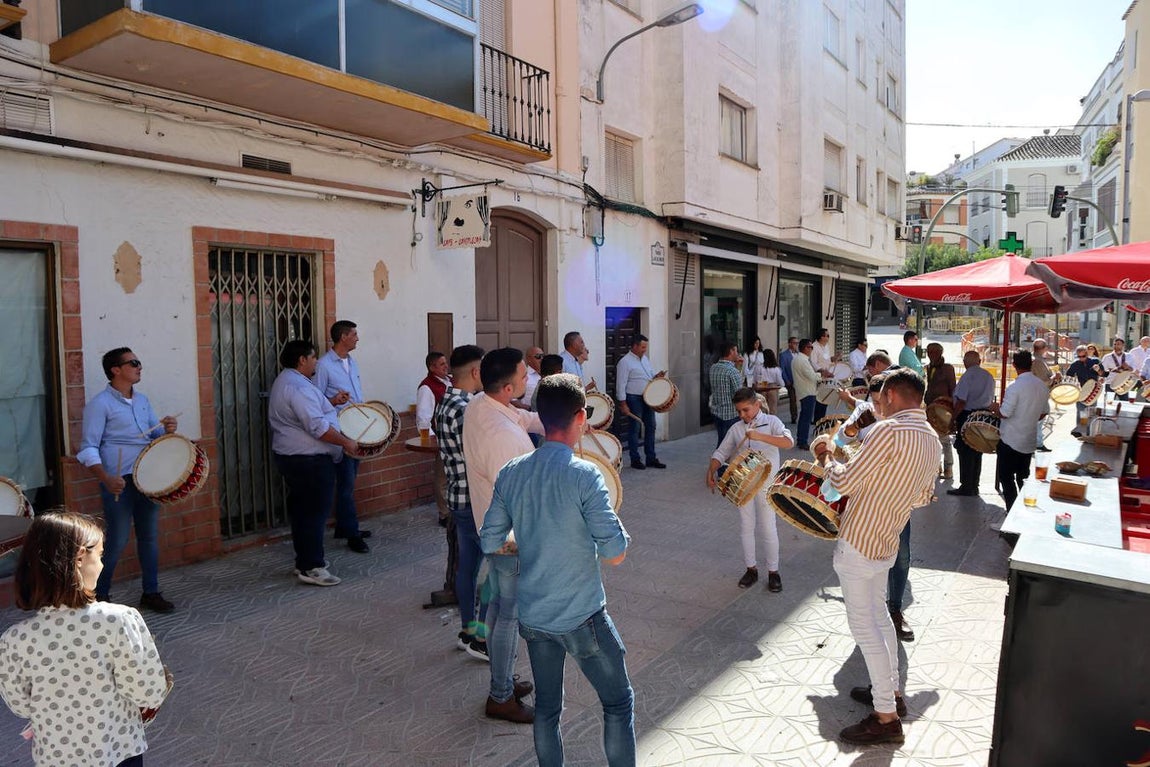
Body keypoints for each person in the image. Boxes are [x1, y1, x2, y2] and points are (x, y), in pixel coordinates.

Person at [480, 374, 633, 767]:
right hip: (582, 616)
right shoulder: (585, 474)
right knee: (618, 703)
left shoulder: (512, 471)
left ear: (540, 416)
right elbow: (615, 553)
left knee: (547, 711)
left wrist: (531, 540)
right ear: (581, 416)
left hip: (533, 616)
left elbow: (489, 539)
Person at [818, 369, 939, 746]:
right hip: (887, 538)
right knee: (881, 619)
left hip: (860, 540)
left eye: (879, 398)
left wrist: (825, 455)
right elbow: (922, 498)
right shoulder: (932, 437)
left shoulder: (888, 431)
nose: (876, 404)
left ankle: (885, 717)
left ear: (889, 395)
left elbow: (842, 483)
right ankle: (892, 693)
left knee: (865, 628)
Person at [0, 512, 169, 767]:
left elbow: (21, 706)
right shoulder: (119, 620)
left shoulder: (14, 640)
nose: (101, 565)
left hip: (55, 757)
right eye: (99, 555)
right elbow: (148, 691)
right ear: (80, 558)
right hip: (118, 751)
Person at [463, 348, 544, 724]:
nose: (529, 378)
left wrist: (559, 424)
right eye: (525, 374)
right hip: (508, 538)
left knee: (497, 608)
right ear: (509, 386)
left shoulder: (482, 404)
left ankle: (502, 678)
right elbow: (518, 498)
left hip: (492, 531)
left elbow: (523, 416)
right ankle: (500, 696)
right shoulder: (501, 437)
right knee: (508, 614)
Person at [77, 347, 178, 612]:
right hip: (118, 481)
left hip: (147, 480)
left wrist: (165, 431)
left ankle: (151, 592)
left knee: (149, 537)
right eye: (133, 362)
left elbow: (150, 438)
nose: (139, 366)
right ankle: (98, 596)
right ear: (116, 370)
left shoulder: (142, 400)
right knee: (117, 540)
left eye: (139, 362)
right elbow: (88, 447)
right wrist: (106, 478)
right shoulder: (99, 404)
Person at [268, 339, 360, 587]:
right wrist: (346, 442)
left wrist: (332, 402)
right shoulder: (298, 387)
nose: (315, 361)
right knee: (313, 514)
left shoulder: (289, 381)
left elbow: (309, 413)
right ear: (302, 360)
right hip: (308, 461)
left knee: (303, 512)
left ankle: (306, 560)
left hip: (298, 458)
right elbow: (317, 426)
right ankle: (312, 566)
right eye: (313, 357)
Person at [707, 387, 793, 592]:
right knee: (746, 527)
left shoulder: (772, 422)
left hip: (767, 484)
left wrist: (760, 436)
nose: (742, 415)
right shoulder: (737, 428)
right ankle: (751, 569)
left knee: (768, 527)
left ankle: (774, 572)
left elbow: (789, 442)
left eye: (746, 410)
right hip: (742, 484)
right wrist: (710, 470)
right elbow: (721, 452)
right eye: (739, 411)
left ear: (757, 405)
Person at [433, 345, 489, 660]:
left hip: (458, 498)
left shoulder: (446, 401)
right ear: (476, 371)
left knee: (467, 568)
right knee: (498, 569)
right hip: (479, 502)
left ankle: (468, 631)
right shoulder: (470, 407)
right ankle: (481, 638)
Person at [311, 320, 370, 553]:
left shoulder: (351, 362)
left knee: (350, 480)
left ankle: (345, 526)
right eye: (354, 334)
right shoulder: (324, 365)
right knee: (346, 482)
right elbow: (314, 400)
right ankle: (352, 534)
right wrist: (334, 401)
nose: (357, 338)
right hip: (340, 431)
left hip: (357, 428)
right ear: (343, 337)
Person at [992, 351, 1049, 510]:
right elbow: (1044, 411)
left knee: (1006, 477)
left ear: (1014, 365)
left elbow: (1004, 413)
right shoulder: (1041, 386)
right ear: (1031, 364)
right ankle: (1023, 509)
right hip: (1029, 440)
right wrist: (1028, 418)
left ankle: (1012, 511)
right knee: (1023, 477)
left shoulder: (1015, 387)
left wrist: (994, 407)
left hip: (1010, 440)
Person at [947, 351, 996, 497]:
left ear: (965, 362)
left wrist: (953, 418)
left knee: (965, 450)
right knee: (977, 449)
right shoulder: (988, 376)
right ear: (979, 361)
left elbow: (961, 401)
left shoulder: (968, 376)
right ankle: (974, 483)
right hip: (982, 414)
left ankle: (967, 485)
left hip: (968, 414)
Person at [615, 335, 667, 470]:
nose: (645, 350)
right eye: (643, 347)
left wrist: (656, 377)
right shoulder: (624, 362)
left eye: (646, 347)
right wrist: (622, 403)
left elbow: (649, 376)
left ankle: (651, 458)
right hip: (634, 398)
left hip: (647, 398)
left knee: (651, 426)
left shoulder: (645, 359)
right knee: (635, 429)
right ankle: (635, 459)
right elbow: (621, 384)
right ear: (635, 346)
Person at [923, 343, 956, 480]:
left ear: (940, 353)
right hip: (931, 408)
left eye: (935, 352)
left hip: (944, 408)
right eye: (930, 352)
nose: (932, 354)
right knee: (932, 438)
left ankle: (948, 467)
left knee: (944, 439)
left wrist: (952, 409)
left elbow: (953, 388)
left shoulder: (948, 368)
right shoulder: (929, 367)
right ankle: (937, 466)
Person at [709, 342, 744, 447]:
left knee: (723, 441)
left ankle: (720, 461)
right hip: (731, 414)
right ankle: (720, 462)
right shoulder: (732, 371)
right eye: (736, 350)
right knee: (729, 445)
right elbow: (739, 393)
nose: (737, 353)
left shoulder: (713, 368)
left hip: (716, 411)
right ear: (731, 351)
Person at [1066, 344, 1102, 437]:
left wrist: (1099, 373)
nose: (1081, 358)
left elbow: (1103, 373)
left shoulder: (1095, 361)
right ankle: (1080, 430)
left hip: (1093, 390)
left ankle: (1090, 431)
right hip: (1081, 391)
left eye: (1083, 356)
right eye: (1079, 356)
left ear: (1087, 353)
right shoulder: (1075, 364)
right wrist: (1073, 382)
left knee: (1091, 412)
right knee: (1081, 412)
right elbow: (1069, 375)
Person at [791, 338, 819, 450]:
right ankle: (802, 441)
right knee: (806, 419)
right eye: (810, 347)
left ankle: (800, 439)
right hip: (808, 392)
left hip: (804, 391)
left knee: (804, 418)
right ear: (805, 348)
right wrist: (822, 376)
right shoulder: (802, 360)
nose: (811, 349)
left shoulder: (798, 359)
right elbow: (812, 376)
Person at [415, 351, 452, 434]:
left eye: (446, 363)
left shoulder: (451, 380)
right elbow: (423, 421)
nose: (446, 366)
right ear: (432, 368)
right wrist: (432, 442)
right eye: (442, 364)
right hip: (440, 438)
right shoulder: (426, 388)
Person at [1030, 339, 1054, 453]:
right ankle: (1037, 443)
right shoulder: (1038, 362)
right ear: (1044, 348)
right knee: (1038, 421)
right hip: (1038, 396)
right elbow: (1043, 381)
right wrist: (1053, 378)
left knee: (1038, 421)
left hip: (1038, 395)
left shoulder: (1039, 360)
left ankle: (1038, 443)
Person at [811, 328, 835, 421]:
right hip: (819, 376)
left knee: (825, 397)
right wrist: (822, 371)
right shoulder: (814, 347)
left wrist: (835, 358)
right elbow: (813, 363)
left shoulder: (826, 346)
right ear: (822, 337)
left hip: (827, 375)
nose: (828, 337)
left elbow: (827, 360)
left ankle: (822, 417)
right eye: (827, 335)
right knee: (819, 398)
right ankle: (817, 419)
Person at [515, 346, 545, 410]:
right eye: (538, 356)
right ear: (529, 360)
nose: (542, 358)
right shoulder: (523, 375)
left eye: (543, 356)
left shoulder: (548, 373)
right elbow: (512, 399)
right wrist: (529, 409)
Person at [757, 349, 785, 415]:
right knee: (773, 409)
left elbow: (756, 379)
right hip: (773, 388)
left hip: (762, 387)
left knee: (762, 409)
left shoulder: (759, 367)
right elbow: (780, 382)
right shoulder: (776, 369)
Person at [779, 337, 800, 424]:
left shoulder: (799, 354)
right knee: (793, 399)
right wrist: (787, 381)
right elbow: (782, 369)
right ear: (789, 344)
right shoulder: (784, 355)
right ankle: (794, 417)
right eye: (794, 343)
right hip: (790, 381)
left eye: (797, 343)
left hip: (800, 381)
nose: (796, 345)